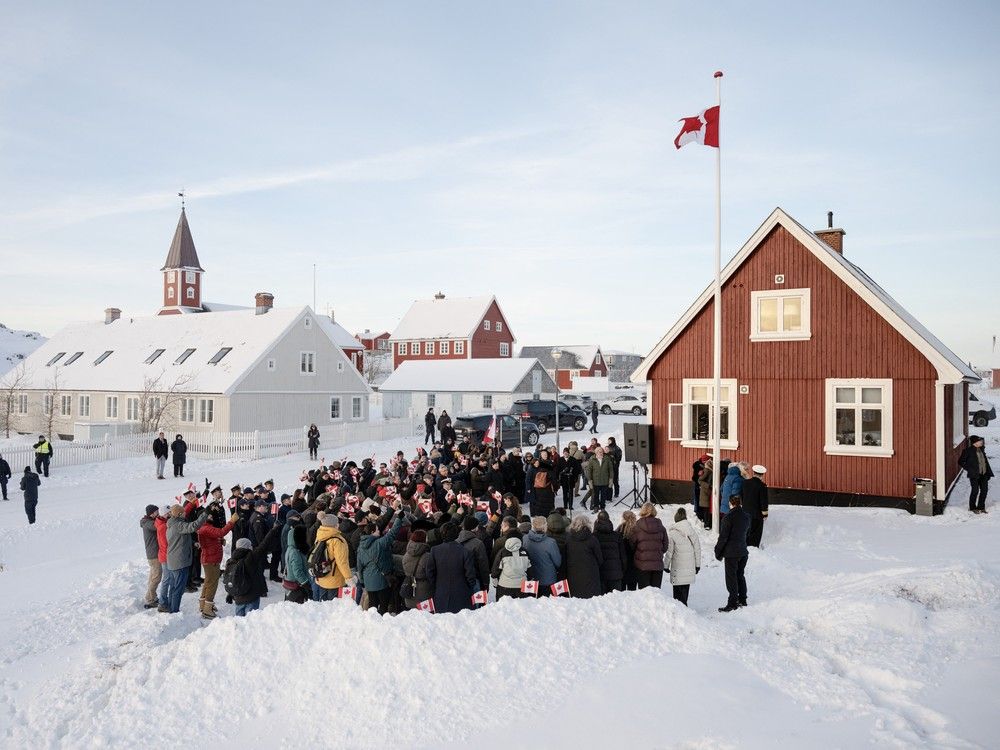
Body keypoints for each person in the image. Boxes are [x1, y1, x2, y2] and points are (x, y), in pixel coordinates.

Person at [357, 507, 404, 615]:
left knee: (372, 605)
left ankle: (372, 624)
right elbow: (392, 534)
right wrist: (399, 518)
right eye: (378, 530)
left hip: (369, 582)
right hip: (381, 581)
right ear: (373, 532)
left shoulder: (361, 547)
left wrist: (363, 581)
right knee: (383, 605)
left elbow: (360, 566)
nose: (379, 531)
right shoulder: (379, 544)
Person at [163, 504, 208, 613]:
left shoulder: (173, 524)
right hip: (179, 562)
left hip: (174, 561)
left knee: (174, 587)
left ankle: (171, 607)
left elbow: (179, 540)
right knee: (178, 589)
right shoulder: (178, 525)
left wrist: (192, 543)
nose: (185, 513)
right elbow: (193, 526)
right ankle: (174, 611)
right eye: (183, 512)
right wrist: (205, 514)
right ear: (179, 514)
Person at [227, 525, 281, 616]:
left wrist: (230, 593)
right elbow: (264, 544)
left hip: (238, 597)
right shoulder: (251, 558)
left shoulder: (230, 561)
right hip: (251, 596)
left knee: (239, 622)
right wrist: (273, 530)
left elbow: (231, 578)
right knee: (250, 622)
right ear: (247, 547)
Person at [425, 522, 477, 613]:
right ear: (456, 535)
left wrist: (436, 585)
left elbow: (429, 572)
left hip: (441, 593)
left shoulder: (435, 550)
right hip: (461, 593)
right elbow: (470, 574)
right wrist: (468, 586)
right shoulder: (465, 551)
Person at [196, 501, 237, 619]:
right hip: (211, 559)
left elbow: (213, 537)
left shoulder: (206, 527)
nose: (210, 516)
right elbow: (221, 532)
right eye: (208, 515)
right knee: (212, 584)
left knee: (208, 583)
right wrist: (232, 521)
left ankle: (203, 605)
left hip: (210, 558)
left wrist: (219, 541)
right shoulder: (205, 528)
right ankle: (207, 609)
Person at [715, 494, 750, 612]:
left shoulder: (728, 518)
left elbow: (723, 537)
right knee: (740, 575)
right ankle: (743, 599)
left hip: (731, 553)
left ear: (730, 503)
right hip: (743, 551)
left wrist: (718, 551)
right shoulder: (746, 516)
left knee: (731, 578)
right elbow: (747, 533)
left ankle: (732, 603)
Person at [665, 507, 701, 606]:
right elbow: (697, 548)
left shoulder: (672, 533)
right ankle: (685, 609)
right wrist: (698, 565)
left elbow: (669, 552)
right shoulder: (691, 531)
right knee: (685, 591)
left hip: (677, 568)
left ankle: (681, 612)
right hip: (689, 568)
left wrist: (665, 565)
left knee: (677, 595)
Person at [313, 513, 352, 600]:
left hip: (322, 577)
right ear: (335, 525)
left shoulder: (319, 535)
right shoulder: (338, 540)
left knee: (324, 606)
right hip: (335, 580)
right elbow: (342, 562)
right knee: (334, 608)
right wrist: (349, 578)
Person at [565, 515, 603, 599]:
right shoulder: (592, 539)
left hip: (573, 573)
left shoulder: (568, 539)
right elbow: (599, 558)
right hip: (591, 574)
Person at [522, 517, 562, 595]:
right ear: (545, 527)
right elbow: (558, 562)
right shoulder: (551, 542)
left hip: (530, 580)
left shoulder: (525, 539)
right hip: (548, 580)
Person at [633, 503, 668, 589]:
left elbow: (632, 544)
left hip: (642, 565)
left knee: (644, 595)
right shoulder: (661, 526)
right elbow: (665, 546)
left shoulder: (637, 526)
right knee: (656, 595)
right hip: (657, 565)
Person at [593, 510, 626, 594]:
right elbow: (623, 556)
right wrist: (622, 570)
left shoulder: (594, 537)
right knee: (617, 602)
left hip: (600, 574)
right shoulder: (617, 536)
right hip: (616, 573)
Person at [492, 535, 532, 600]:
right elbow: (530, 570)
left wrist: (495, 583)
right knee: (521, 608)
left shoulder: (502, 552)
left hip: (504, 585)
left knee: (504, 608)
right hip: (522, 585)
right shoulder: (525, 552)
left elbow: (495, 569)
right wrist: (530, 580)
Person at [960, 435, 993, 514]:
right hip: (974, 475)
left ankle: (981, 507)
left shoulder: (981, 449)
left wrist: (988, 472)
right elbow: (961, 461)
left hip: (984, 474)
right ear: (974, 442)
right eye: (979, 441)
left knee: (984, 491)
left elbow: (985, 462)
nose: (981, 442)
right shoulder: (967, 451)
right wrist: (969, 469)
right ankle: (972, 507)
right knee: (975, 491)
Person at [401, 529, 433, 610]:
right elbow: (431, 574)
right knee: (426, 618)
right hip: (425, 592)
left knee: (412, 619)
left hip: (410, 590)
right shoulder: (428, 557)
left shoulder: (406, 555)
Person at [139, 504, 163, 608]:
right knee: (156, 577)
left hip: (153, 553)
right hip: (154, 554)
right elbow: (157, 526)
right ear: (151, 513)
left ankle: (151, 596)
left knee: (153, 577)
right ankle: (150, 598)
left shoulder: (148, 521)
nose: (158, 513)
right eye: (156, 512)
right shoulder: (147, 523)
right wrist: (162, 518)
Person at [283, 525, 312, 603]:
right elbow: (297, 571)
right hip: (297, 586)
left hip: (293, 584)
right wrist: (305, 583)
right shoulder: (295, 552)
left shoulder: (290, 549)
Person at [742, 465, 769, 546]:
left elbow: (742, 496)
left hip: (745, 511)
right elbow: (764, 501)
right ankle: (753, 546)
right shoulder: (762, 486)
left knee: (746, 529)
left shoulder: (745, 483)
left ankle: (745, 544)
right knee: (756, 532)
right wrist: (765, 514)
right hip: (756, 514)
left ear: (754, 473)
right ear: (762, 475)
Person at [587, 446, 614, 512]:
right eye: (598, 452)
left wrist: (611, 479)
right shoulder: (592, 459)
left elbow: (611, 469)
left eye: (601, 451)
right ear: (596, 452)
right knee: (596, 495)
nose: (600, 453)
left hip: (605, 480)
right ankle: (596, 506)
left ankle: (602, 507)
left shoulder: (607, 459)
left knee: (603, 495)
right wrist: (590, 480)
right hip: (595, 481)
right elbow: (589, 470)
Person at [617, 510, 639, 591]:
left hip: (622, 565)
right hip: (634, 565)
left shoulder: (619, 530)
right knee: (632, 591)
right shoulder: (637, 530)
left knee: (622, 592)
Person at [698, 458, 713, 530]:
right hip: (706, 491)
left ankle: (707, 523)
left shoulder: (707, 471)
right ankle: (707, 524)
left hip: (705, 491)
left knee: (706, 509)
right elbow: (700, 480)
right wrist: (708, 486)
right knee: (706, 509)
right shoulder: (707, 471)